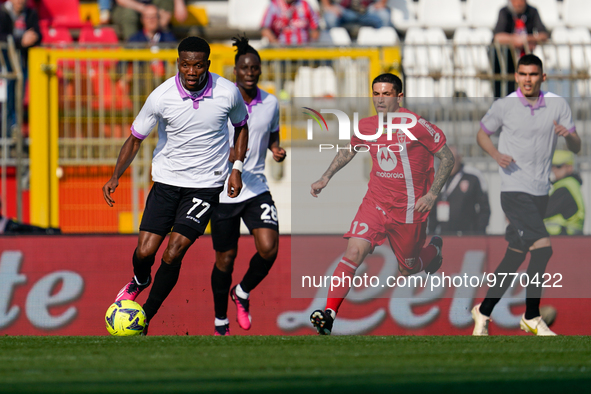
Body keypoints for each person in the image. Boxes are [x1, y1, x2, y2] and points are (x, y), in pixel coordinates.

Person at [102, 36, 249, 335]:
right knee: (145, 252)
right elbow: (135, 139)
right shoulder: (161, 96)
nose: (191, 71)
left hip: (206, 186)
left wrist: (236, 168)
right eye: (185, 65)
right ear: (178, 64)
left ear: (207, 64)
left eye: (197, 65)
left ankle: (145, 316)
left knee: (174, 251)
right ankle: (140, 280)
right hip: (167, 182)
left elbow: (241, 127)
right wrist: (116, 175)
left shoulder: (227, 93)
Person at [309, 73, 455, 335]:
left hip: (410, 210)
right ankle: (330, 314)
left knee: (407, 268)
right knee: (353, 252)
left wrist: (432, 194)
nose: (380, 99)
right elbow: (350, 149)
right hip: (375, 203)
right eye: (376, 93)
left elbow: (447, 158)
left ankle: (433, 250)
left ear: (399, 96)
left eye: (386, 94)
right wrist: (325, 176)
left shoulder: (418, 126)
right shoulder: (366, 125)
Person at [472, 54, 581, 336]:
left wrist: (567, 136)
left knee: (514, 257)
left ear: (542, 77)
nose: (527, 79)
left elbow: (576, 145)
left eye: (533, 74)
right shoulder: (504, 105)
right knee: (543, 249)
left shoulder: (558, 104)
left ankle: (483, 311)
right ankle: (532, 315)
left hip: (540, 191)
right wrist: (496, 154)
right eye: (522, 74)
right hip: (513, 190)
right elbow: (482, 133)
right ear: (516, 76)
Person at [209, 36, 286, 336]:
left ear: (260, 70)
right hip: (223, 188)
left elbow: (272, 135)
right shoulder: (225, 100)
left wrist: (275, 150)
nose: (250, 73)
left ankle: (242, 291)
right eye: (244, 68)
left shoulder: (271, 103)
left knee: (268, 248)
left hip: (255, 185)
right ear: (236, 70)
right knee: (225, 259)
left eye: (255, 68)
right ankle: (220, 321)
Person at [428, 146, 490, 235]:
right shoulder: (436, 179)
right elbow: (432, 211)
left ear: (459, 158)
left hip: (468, 235)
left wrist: (479, 233)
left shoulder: (473, 177)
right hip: (444, 235)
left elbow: (484, 208)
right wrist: (431, 233)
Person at [0, 0, 41, 133]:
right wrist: (20, 41)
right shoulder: (2, 13)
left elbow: (39, 35)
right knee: (7, 99)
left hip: (23, 64)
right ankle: (5, 133)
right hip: (5, 65)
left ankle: (14, 131)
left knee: (18, 98)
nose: (20, 1)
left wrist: (33, 37)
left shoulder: (30, 13)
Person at [493, 0, 548, 97]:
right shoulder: (504, 12)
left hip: (526, 61)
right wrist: (513, 40)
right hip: (506, 63)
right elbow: (498, 36)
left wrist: (527, 39)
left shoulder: (532, 11)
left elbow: (544, 35)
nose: (518, 4)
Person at [544, 150, 585, 236]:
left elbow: (545, 211)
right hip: (567, 236)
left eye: (558, 166)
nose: (554, 169)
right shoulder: (570, 184)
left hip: (563, 237)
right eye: (552, 166)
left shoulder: (565, 187)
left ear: (569, 168)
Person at [111, 0, 186, 41]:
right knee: (129, 15)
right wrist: (146, 10)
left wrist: (179, 2)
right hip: (130, 8)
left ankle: (159, 39)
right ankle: (132, 48)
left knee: (166, 2)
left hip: (152, 7)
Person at [321, 0, 391, 30]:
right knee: (330, 18)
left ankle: (383, 54)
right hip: (342, 10)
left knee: (384, 16)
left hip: (368, 9)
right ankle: (335, 54)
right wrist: (327, 5)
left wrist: (382, 3)